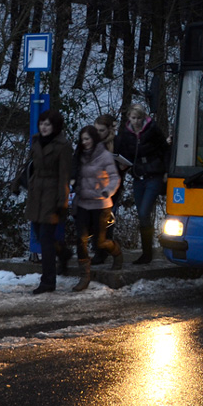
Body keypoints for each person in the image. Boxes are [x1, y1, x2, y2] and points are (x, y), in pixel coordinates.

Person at [22, 109, 73, 294]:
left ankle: (48, 282)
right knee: (41, 235)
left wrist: (62, 202)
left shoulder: (63, 146)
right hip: (36, 193)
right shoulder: (36, 140)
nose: (44, 127)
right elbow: (30, 165)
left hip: (52, 194)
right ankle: (64, 253)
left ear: (55, 127)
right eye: (42, 123)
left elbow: (64, 176)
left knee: (45, 239)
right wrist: (17, 182)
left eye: (48, 124)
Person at [115, 104, 170, 265]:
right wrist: (123, 164)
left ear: (143, 117)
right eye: (133, 118)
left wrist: (166, 171)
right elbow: (124, 152)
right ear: (129, 118)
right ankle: (147, 251)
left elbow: (165, 149)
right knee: (141, 213)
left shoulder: (152, 129)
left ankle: (148, 253)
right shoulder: (126, 133)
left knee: (145, 210)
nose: (136, 121)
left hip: (154, 173)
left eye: (139, 118)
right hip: (138, 174)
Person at [72, 125, 123, 291]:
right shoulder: (78, 155)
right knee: (81, 239)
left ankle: (116, 252)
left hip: (101, 204)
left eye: (87, 139)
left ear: (94, 139)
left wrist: (108, 190)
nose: (85, 142)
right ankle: (84, 277)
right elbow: (72, 172)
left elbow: (115, 178)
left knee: (100, 242)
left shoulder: (105, 156)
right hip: (82, 203)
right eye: (82, 139)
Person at [89, 114, 121, 265]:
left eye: (101, 130)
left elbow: (125, 161)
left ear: (109, 130)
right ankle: (99, 248)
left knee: (104, 219)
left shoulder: (117, 142)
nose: (98, 133)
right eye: (96, 130)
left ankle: (103, 251)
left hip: (110, 187)